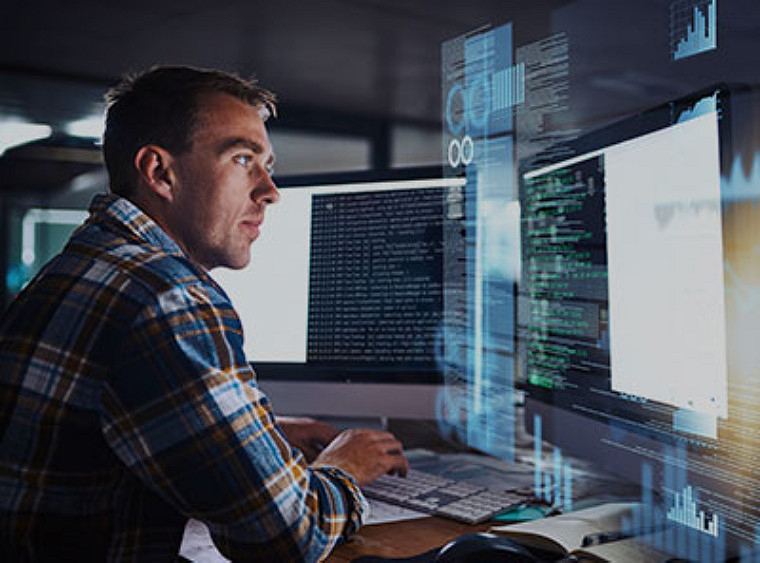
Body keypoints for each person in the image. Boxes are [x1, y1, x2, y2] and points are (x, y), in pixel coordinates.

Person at [0, 66, 409, 562]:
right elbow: (285, 537)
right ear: (159, 173)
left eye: (268, 164)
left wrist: (263, 433)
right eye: (243, 159)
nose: (270, 191)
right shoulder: (166, 296)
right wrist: (344, 466)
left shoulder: (82, 265)